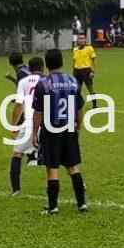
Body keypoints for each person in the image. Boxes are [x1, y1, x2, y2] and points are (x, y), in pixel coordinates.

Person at [32, 49, 87, 215]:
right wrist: (78, 124)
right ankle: (82, 203)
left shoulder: (43, 84)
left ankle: (53, 207)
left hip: (51, 129)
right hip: (69, 128)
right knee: (72, 166)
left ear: (46, 64)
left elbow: (38, 113)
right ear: (62, 62)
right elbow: (79, 107)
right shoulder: (72, 81)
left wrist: (35, 133)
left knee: (52, 167)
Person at [9, 56, 44, 195]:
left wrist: (14, 126)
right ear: (43, 67)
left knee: (17, 154)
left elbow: (18, 105)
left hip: (29, 121)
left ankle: (16, 189)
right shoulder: (48, 80)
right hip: (48, 123)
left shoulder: (23, 82)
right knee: (61, 155)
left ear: (29, 69)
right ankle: (80, 183)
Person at [72, 34, 97, 106]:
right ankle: (77, 105)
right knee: (77, 89)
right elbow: (74, 61)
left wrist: (92, 71)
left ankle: (94, 104)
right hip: (77, 71)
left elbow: (93, 61)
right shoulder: (75, 49)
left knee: (90, 88)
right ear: (77, 40)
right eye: (80, 39)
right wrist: (73, 71)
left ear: (85, 40)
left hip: (86, 71)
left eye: (83, 38)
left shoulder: (89, 48)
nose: (81, 40)